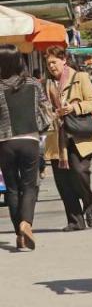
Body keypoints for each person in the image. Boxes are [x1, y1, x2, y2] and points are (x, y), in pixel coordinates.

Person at [44, 46, 92, 232]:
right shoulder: (46, 84)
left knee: (79, 173)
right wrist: (51, 113)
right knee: (63, 181)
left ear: (64, 60)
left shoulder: (80, 77)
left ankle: (89, 201)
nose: (51, 67)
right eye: (48, 64)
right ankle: (75, 220)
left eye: (54, 62)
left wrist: (74, 108)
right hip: (57, 136)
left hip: (79, 135)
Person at [0, 44, 50, 250]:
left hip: (5, 142)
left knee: (12, 188)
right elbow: (45, 109)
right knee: (30, 186)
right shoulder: (33, 83)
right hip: (30, 139)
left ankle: (19, 235)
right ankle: (26, 223)